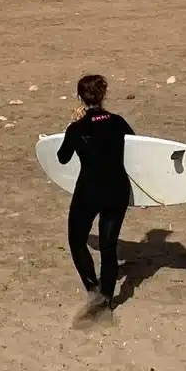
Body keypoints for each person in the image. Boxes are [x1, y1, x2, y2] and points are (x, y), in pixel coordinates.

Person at [56, 74, 134, 300]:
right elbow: (136, 150)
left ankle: (93, 288)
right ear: (103, 95)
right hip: (117, 189)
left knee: (77, 240)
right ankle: (107, 298)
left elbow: (62, 158)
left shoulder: (77, 129)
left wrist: (71, 127)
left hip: (89, 192)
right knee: (108, 248)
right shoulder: (118, 121)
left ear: (79, 97)